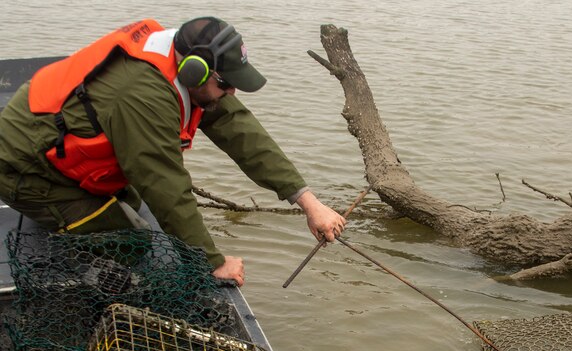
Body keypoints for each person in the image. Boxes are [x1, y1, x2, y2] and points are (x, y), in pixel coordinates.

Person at [0, 17, 346, 286]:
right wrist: (214, 262)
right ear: (194, 71)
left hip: (66, 148)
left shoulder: (189, 73)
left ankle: (83, 217)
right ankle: (74, 252)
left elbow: (243, 134)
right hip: (27, 169)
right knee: (131, 244)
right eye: (226, 83)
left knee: (134, 207)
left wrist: (309, 203)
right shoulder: (143, 95)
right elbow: (165, 186)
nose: (232, 91)